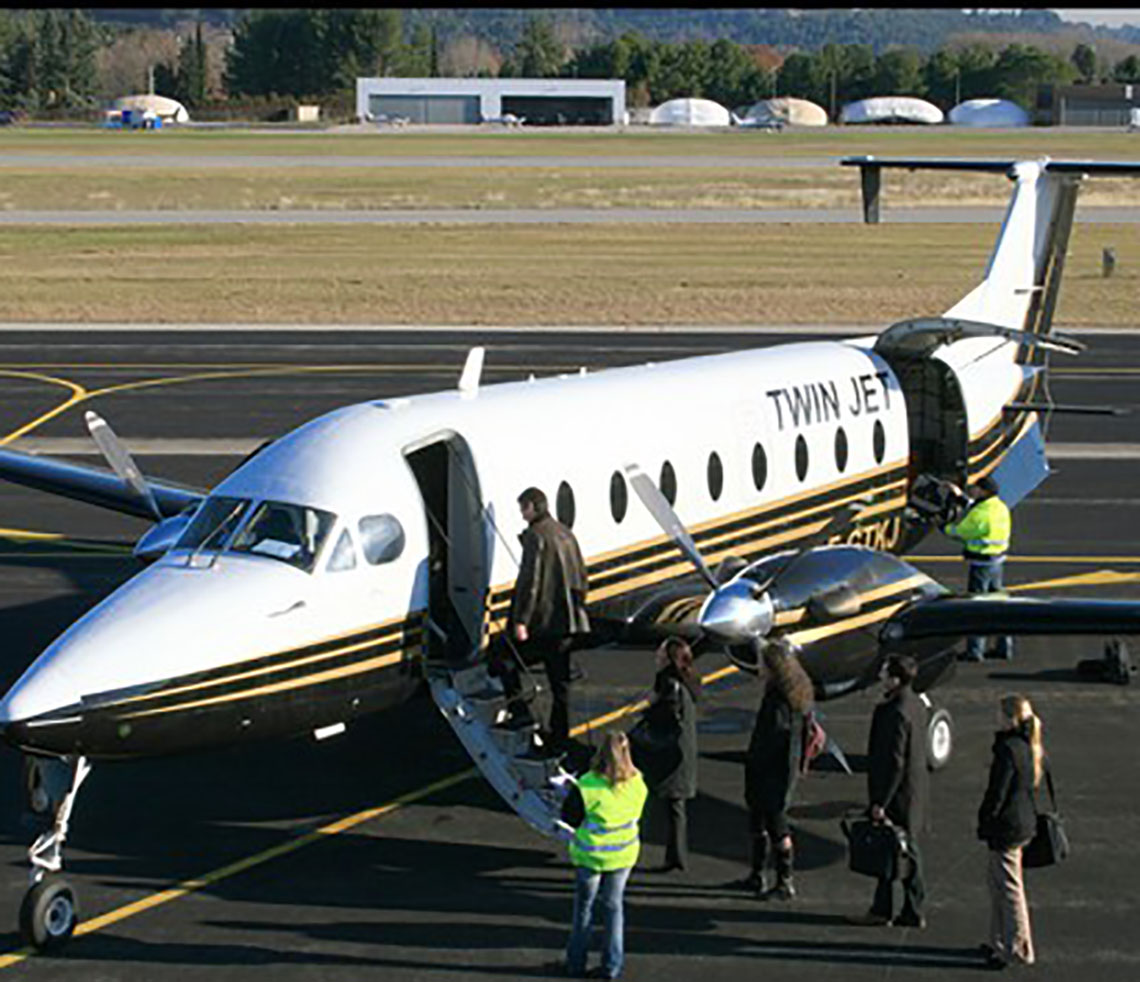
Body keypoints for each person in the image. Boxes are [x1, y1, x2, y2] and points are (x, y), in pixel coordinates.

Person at [849, 653, 929, 928]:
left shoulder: (893, 711)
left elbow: (894, 761)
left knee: (890, 849)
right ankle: (910, 908)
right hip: (913, 790)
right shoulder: (916, 704)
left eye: (885, 672)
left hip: (897, 794)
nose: (881, 675)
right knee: (907, 850)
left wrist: (880, 801)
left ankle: (886, 909)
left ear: (895, 679)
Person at [562, 731, 649, 980]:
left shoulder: (587, 785)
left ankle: (576, 963)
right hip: (622, 855)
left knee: (584, 909)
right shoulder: (637, 783)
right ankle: (612, 966)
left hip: (591, 856)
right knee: (614, 908)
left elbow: (570, 818)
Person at [509, 487, 590, 749]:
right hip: (569, 622)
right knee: (560, 684)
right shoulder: (565, 532)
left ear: (533, 507)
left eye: (523, 508)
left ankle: (521, 713)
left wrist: (522, 620)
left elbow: (531, 583)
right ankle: (559, 735)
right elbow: (582, 577)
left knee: (505, 661)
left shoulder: (536, 536)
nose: (522, 514)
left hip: (545, 624)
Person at [736, 638, 815, 899]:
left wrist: (755, 760)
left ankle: (784, 881)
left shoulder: (778, 700)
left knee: (775, 825)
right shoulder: (795, 692)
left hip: (772, 772)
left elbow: (773, 737)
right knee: (762, 822)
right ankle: (759, 875)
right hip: (778, 769)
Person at [976, 695, 1044, 969]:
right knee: (999, 885)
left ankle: (1017, 947)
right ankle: (1000, 942)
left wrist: (985, 820)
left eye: (999, 714)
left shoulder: (1007, 750)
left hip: (1007, 827)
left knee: (1008, 889)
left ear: (1009, 719)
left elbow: (997, 792)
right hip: (1021, 822)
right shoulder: (1027, 746)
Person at [643, 638, 700, 873]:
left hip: (670, 751)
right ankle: (676, 855)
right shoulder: (689, 680)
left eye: (661, 652)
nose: (657, 655)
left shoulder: (668, 683)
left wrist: (649, 706)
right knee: (676, 806)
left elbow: (664, 714)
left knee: (657, 800)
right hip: (683, 749)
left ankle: (673, 856)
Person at [944, 474, 1012, 662]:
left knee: (977, 606)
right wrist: (960, 496)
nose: (973, 490)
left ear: (984, 491)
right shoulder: (999, 507)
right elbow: (975, 507)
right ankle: (1004, 647)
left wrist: (943, 526)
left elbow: (961, 531)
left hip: (981, 564)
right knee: (999, 604)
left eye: (976, 488)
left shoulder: (981, 513)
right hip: (997, 561)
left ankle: (975, 651)